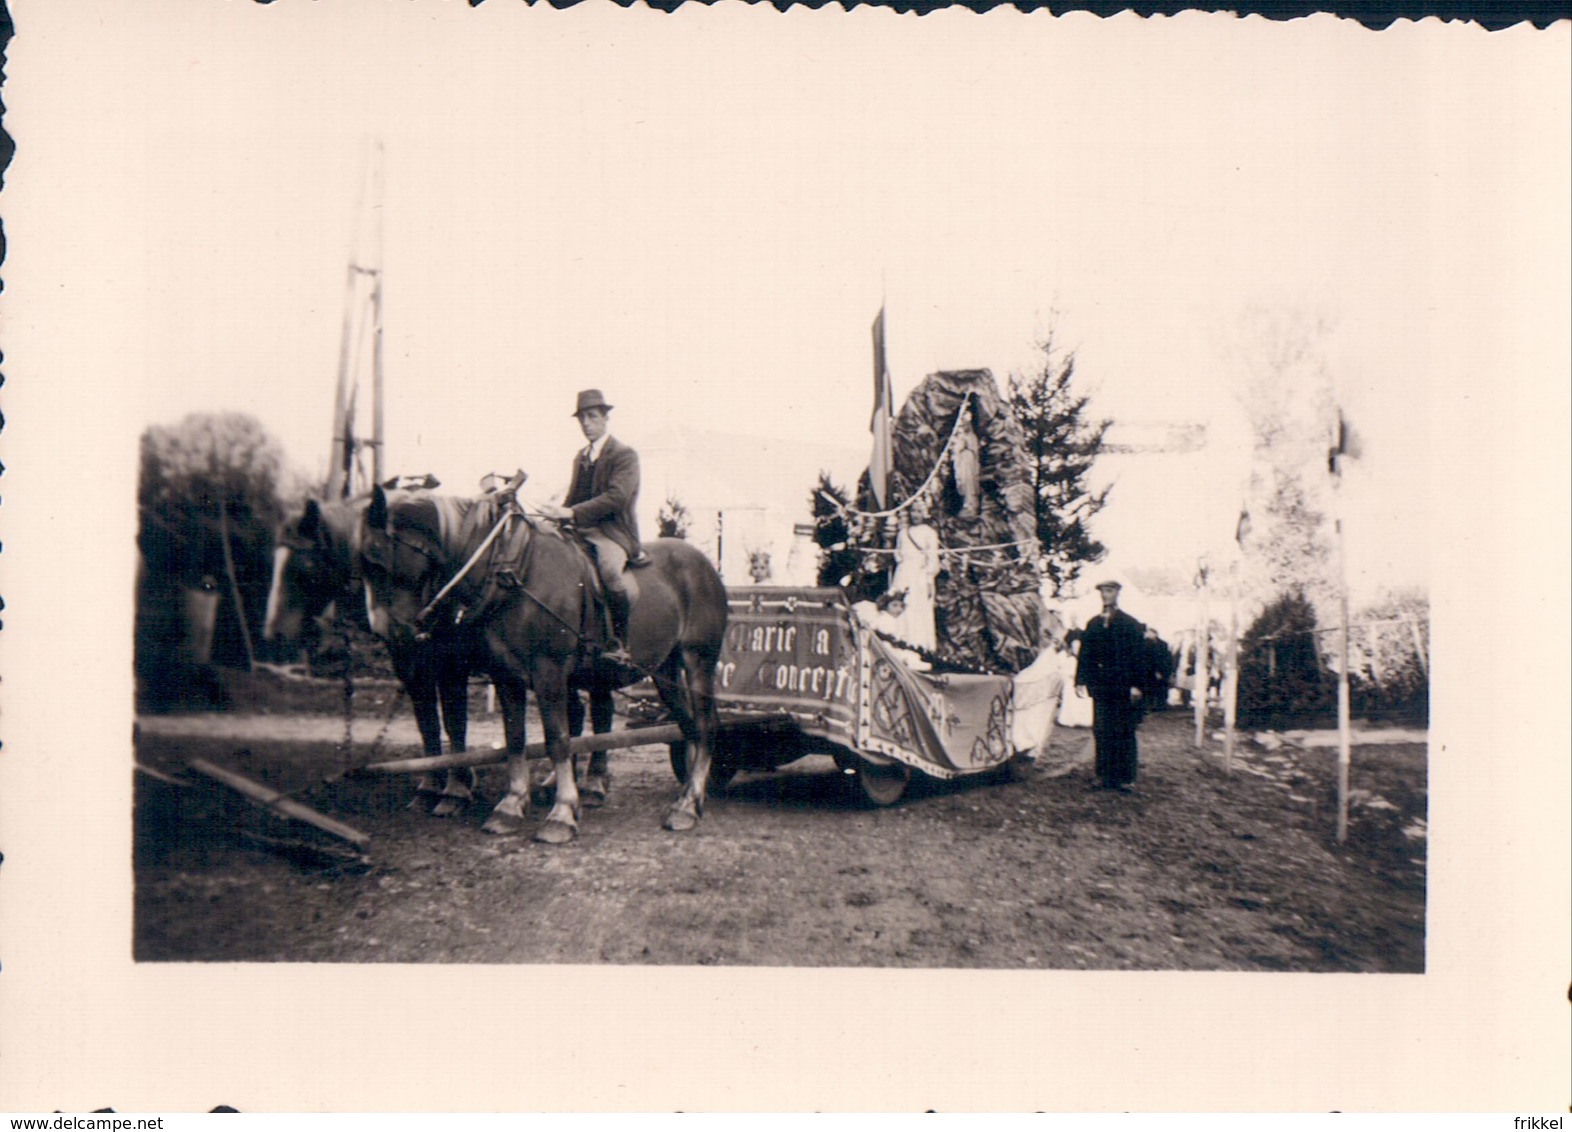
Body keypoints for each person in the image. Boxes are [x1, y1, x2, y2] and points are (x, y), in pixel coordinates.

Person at [537, 389, 646, 667]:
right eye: (582, 418)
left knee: (610, 572)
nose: (586, 423)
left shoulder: (624, 455)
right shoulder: (581, 456)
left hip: (613, 532)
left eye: (592, 417)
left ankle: (621, 643)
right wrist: (554, 515)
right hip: (581, 529)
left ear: (606, 418)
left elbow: (617, 498)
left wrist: (571, 512)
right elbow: (574, 497)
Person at [1074, 579, 1148, 792]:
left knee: (1124, 729)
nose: (1105, 595)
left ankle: (1126, 778)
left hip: (1123, 685)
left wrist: (1136, 685)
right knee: (1102, 729)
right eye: (1102, 592)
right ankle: (1104, 775)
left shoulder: (1130, 624)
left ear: (1117, 593)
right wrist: (1080, 680)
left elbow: (1139, 657)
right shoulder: (1093, 623)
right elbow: (1085, 654)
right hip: (1101, 686)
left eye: (1109, 591)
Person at [1141, 626, 1175, 712]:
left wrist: (1161, 671)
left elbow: (1165, 658)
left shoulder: (1163, 644)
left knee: (1161, 688)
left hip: (1161, 670)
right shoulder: (1145, 643)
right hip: (1149, 670)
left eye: (1149, 633)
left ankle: (1161, 705)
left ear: (1155, 634)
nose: (1147, 634)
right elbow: (1146, 659)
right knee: (1149, 689)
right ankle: (1149, 705)